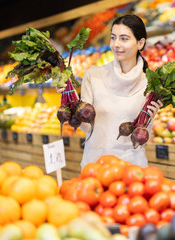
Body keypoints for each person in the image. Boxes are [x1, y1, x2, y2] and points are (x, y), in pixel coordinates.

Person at [57, 14, 163, 168]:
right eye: (113, 38)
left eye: (124, 39)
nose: (116, 44)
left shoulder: (152, 82)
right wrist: (71, 102)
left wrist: (150, 118)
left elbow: (141, 136)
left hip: (132, 167)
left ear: (140, 43)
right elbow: (87, 127)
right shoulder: (93, 75)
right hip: (96, 165)